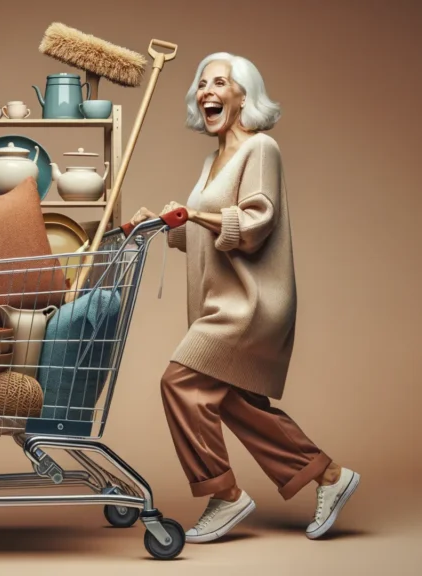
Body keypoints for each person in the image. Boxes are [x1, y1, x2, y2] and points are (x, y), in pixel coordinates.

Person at [130, 52, 360, 543]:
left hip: (252, 304)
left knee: (179, 383)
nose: (207, 91)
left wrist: (194, 217)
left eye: (220, 83)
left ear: (242, 96)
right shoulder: (212, 161)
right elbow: (203, 236)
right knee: (235, 402)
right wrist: (161, 224)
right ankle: (329, 476)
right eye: (202, 84)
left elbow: (256, 223)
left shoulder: (261, 149)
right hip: (220, 302)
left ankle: (226, 495)